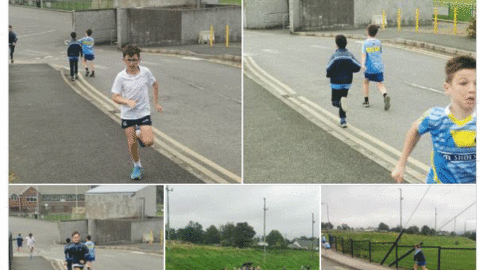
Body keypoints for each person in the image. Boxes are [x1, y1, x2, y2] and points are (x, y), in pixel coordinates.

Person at [391, 55, 476, 183]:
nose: (472, 89)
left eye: (477, 83)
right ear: (447, 88)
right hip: (437, 190)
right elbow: (415, 129)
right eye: (463, 83)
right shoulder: (435, 117)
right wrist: (401, 163)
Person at [111, 45, 163, 180]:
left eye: (135, 60)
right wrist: (127, 101)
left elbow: (155, 84)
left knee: (149, 141)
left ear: (139, 59)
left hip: (143, 112)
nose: (132, 63)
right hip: (128, 114)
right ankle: (137, 166)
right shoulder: (120, 77)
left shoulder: (145, 72)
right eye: (129, 60)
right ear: (123, 60)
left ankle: (140, 134)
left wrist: (156, 102)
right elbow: (115, 97)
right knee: (131, 142)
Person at [326, 34, 361, 127]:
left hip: (335, 83)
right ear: (346, 43)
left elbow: (329, 68)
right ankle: (343, 120)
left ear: (336, 44)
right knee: (343, 98)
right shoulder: (349, 56)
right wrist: (350, 69)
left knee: (334, 101)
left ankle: (339, 104)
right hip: (346, 82)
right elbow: (358, 66)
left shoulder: (335, 56)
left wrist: (328, 75)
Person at [361, 24, 390, 110]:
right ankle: (385, 95)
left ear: (367, 32)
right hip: (379, 67)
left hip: (369, 68)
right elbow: (380, 53)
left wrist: (362, 64)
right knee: (380, 83)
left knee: (366, 82)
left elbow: (364, 55)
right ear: (376, 33)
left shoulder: (365, 43)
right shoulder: (378, 42)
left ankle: (366, 101)